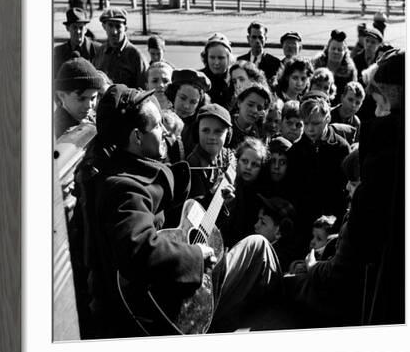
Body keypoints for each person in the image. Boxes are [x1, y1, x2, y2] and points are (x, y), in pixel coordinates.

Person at [84, 84, 283, 337]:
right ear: (136, 137)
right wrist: (196, 256)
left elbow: (175, 226)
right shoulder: (125, 188)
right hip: (176, 304)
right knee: (259, 246)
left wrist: (217, 211)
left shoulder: (133, 173)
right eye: (157, 126)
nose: (166, 131)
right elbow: (137, 249)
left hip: (179, 285)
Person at [286, 51, 405, 327]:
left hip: (371, 302)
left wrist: (314, 268)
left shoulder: (384, 157)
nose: (375, 115)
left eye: (377, 103)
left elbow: (350, 262)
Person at [284, 96, 350, 263]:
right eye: (306, 124)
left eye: (316, 123)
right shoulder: (296, 152)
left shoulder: (341, 148)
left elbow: (345, 190)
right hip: (304, 225)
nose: (310, 129)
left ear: (327, 119)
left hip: (332, 224)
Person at [186, 103, 234, 203]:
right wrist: (213, 195)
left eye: (218, 131)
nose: (212, 136)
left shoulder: (227, 155)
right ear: (197, 132)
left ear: (228, 135)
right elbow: (194, 210)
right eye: (205, 130)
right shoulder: (193, 164)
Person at [54, 54, 104, 138]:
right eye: (81, 99)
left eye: (93, 98)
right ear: (62, 95)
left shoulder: (89, 117)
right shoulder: (60, 131)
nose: (88, 105)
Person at [165, 68, 211, 157]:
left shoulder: (201, 129)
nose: (186, 106)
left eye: (193, 102)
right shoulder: (161, 120)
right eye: (182, 98)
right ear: (174, 94)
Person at [98, 8, 147, 88]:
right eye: (110, 25)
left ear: (125, 28)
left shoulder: (135, 55)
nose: (114, 32)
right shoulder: (100, 52)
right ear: (104, 27)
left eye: (118, 26)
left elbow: (144, 89)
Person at [53, 8, 103, 77]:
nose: (78, 31)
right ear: (67, 28)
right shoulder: (59, 52)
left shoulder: (98, 50)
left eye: (81, 27)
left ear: (86, 29)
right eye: (74, 27)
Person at [312, 29, 357, 103]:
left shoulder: (350, 71)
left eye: (339, 50)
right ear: (327, 49)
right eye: (333, 48)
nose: (336, 52)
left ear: (345, 53)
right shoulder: (316, 65)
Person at [230, 83, 272, 149]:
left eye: (259, 108)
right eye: (250, 105)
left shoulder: (261, 136)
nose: (255, 110)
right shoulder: (225, 127)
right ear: (239, 103)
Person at [200, 32, 234, 109]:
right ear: (206, 58)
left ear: (228, 58)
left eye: (221, 58)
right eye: (212, 57)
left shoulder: (235, 79)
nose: (216, 62)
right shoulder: (199, 78)